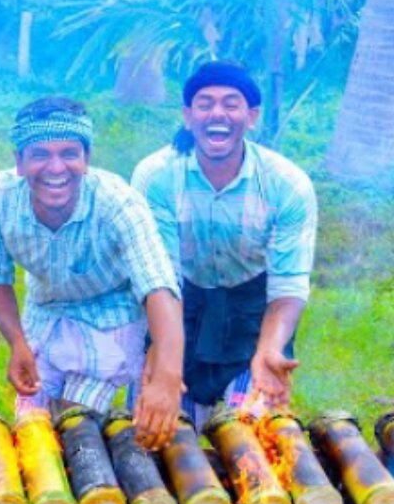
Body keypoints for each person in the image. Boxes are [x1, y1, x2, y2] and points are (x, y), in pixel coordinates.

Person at [0, 97, 184, 449]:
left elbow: (158, 284)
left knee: (76, 421)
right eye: (40, 154)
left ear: (86, 159)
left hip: (113, 311)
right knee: (32, 424)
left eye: (69, 154)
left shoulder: (119, 202)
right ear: (19, 162)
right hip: (46, 307)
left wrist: (167, 374)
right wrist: (17, 342)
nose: (56, 168)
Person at [132, 61, 318, 429]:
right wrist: (162, 361)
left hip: (253, 310)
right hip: (177, 304)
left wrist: (270, 350)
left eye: (231, 103)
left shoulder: (287, 185)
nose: (218, 113)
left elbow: (288, 287)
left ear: (252, 116)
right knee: (158, 428)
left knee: (250, 429)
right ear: (188, 115)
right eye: (205, 103)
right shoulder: (156, 177)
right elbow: (160, 279)